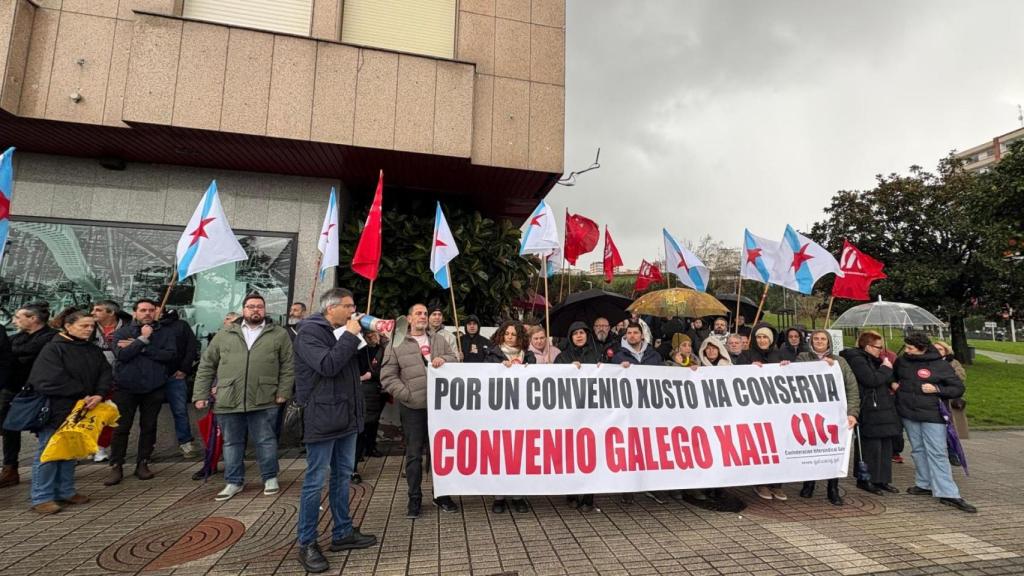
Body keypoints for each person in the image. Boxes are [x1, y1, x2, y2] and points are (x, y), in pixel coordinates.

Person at [293, 288, 377, 572]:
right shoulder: (309, 332)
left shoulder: (343, 329)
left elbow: (361, 368)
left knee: (342, 477)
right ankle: (307, 542)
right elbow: (327, 365)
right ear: (331, 308)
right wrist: (352, 335)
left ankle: (342, 532)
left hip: (347, 415)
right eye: (348, 306)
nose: (353, 311)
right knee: (315, 481)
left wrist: (369, 341)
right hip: (323, 416)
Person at [193, 293, 293, 501]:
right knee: (231, 443)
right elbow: (207, 364)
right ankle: (234, 481)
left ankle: (270, 477)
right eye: (251, 306)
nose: (255, 310)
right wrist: (201, 393)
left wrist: (284, 391)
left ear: (265, 310)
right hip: (229, 397)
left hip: (264, 396)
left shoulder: (278, 334)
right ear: (243, 310)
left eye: (259, 306)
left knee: (266, 440)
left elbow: (288, 365)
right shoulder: (226, 333)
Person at [26, 308, 111, 514]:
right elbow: (47, 380)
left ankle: (65, 490)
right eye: (84, 326)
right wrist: (82, 393)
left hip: (82, 408)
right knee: (49, 452)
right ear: (68, 326)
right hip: (57, 408)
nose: (89, 330)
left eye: (92, 326)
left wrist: (99, 394)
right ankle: (41, 496)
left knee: (69, 452)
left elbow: (105, 372)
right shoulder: (53, 349)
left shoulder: (92, 349)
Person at [381, 303, 459, 518]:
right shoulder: (396, 344)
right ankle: (414, 498)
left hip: (440, 407)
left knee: (440, 453)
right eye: (419, 313)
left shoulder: (439, 340)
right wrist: (406, 395)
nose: (423, 316)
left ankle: (441, 495)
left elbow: (456, 359)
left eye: (425, 313)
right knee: (414, 454)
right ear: (409, 318)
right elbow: (387, 376)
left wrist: (445, 359)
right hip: (413, 408)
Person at [893, 333, 975, 513]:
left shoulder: (940, 364)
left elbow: (957, 388)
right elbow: (893, 376)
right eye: (906, 347)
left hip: (932, 414)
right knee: (918, 450)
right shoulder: (902, 361)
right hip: (908, 412)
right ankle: (924, 483)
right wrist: (893, 384)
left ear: (922, 348)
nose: (906, 351)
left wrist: (937, 389)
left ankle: (948, 492)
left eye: (910, 348)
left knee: (937, 452)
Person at [106, 298, 176, 486]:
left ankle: (143, 462)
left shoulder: (165, 333)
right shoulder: (122, 332)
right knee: (121, 427)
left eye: (151, 310)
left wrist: (140, 346)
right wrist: (142, 339)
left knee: (149, 426)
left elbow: (169, 355)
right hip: (126, 387)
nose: (147, 313)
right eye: (143, 310)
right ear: (135, 312)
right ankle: (116, 464)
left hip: (154, 387)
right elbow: (122, 355)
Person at [797, 330, 860, 505]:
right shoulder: (802, 358)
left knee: (833, 450)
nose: (819, 341)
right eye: (816, 338)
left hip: (834, 414)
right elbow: (794, 378)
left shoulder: (840, 362)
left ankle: (833, 487)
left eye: (823, 339)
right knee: (810, 448)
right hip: (809, 413)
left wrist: (852, 413)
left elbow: (852, 388)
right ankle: (809, 483)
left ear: (829, 342)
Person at [1, 304, 58, 489]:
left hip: (39, 390)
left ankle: (52, 467)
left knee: (44, 429)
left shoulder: (50, 338)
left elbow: (19, 356)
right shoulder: (16, 338)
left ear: (33, 318)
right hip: (13, 388)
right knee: (8, 428)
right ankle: (10, 468)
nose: (14, 320)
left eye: (19, 317)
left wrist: (12, 356)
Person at [839, 330, 900, 496]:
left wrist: (890, 377)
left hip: (883, 406)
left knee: (885, 445)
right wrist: (886, 369)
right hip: (869, 407)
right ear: (867, 346)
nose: (880, 350)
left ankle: (882, 479)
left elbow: (883, 378)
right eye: (877, 347)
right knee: (870, 446)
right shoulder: (857, 359)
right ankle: (866, 479)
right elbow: (871, 380)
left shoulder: (874, 360)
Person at [485, 320, 536, 513]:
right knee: (500, 454)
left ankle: (518, 495)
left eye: (513, 334)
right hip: (499, 414)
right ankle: (499, 497)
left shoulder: (528, 356)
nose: (510, 337)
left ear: (520, 337)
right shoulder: (492, 355)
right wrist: (498, 367)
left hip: (522, 413)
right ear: (501, 335)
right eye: (507, 334)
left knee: (519, 454)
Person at [554, 321, 601, 511]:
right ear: (570, 337)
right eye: (575, 334)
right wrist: (567, 369)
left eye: (582, 333)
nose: (579, 336)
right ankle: (571, 492)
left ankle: (589, 496)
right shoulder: (563, 357)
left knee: (592, 453)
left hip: (592, 412)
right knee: (572, 452)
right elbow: (555, 379)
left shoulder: (597, 354)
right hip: (571, 413)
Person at [749, 323, 789, 500]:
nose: (762, 340)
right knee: (761, 447)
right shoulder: (747, 355)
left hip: (777, 411)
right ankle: (761, 484)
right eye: (759, 337)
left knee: (778, 446)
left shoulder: (780, 355)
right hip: (756, 411)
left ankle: (777, 485)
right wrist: (748, 369)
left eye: (765, 337)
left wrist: (788, 367)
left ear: (770, 339)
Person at [159, 307, 200, 459]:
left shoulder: (181, 325)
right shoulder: (144, 328)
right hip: (152, 376)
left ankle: (186, 443)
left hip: (175, 375)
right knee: (148, 414)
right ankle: (147, 446)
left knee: (180, 411)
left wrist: (184, 369)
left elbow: (191, 347)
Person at [90, 300, 127, 463]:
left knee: (110, 413)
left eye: (98, 310)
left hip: (118, 376)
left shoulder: (127, 327)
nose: (93, 313)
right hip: (92, 376)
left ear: (111, 313)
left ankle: (101, 446)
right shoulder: (88, 327)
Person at [355, 330, 387, 476]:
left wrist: (372, 375)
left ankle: (370, 446)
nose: (372, 337)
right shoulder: (361, 349)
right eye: (369, 335)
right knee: (366, 421)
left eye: (375, 334)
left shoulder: (384, 348)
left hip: (380, 388)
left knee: (374, 421)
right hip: (366, 389)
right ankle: (360, 451)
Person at [933, 341, 969, 449]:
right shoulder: (929, 362)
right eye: (935, 349)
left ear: (946, 351)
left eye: (940, 349)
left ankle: (953, 452)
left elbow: (961, 376)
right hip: (934, 398)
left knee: (952, 427)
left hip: (950, 398)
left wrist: (946, 374)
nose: (937, 352)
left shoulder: (953, 362)